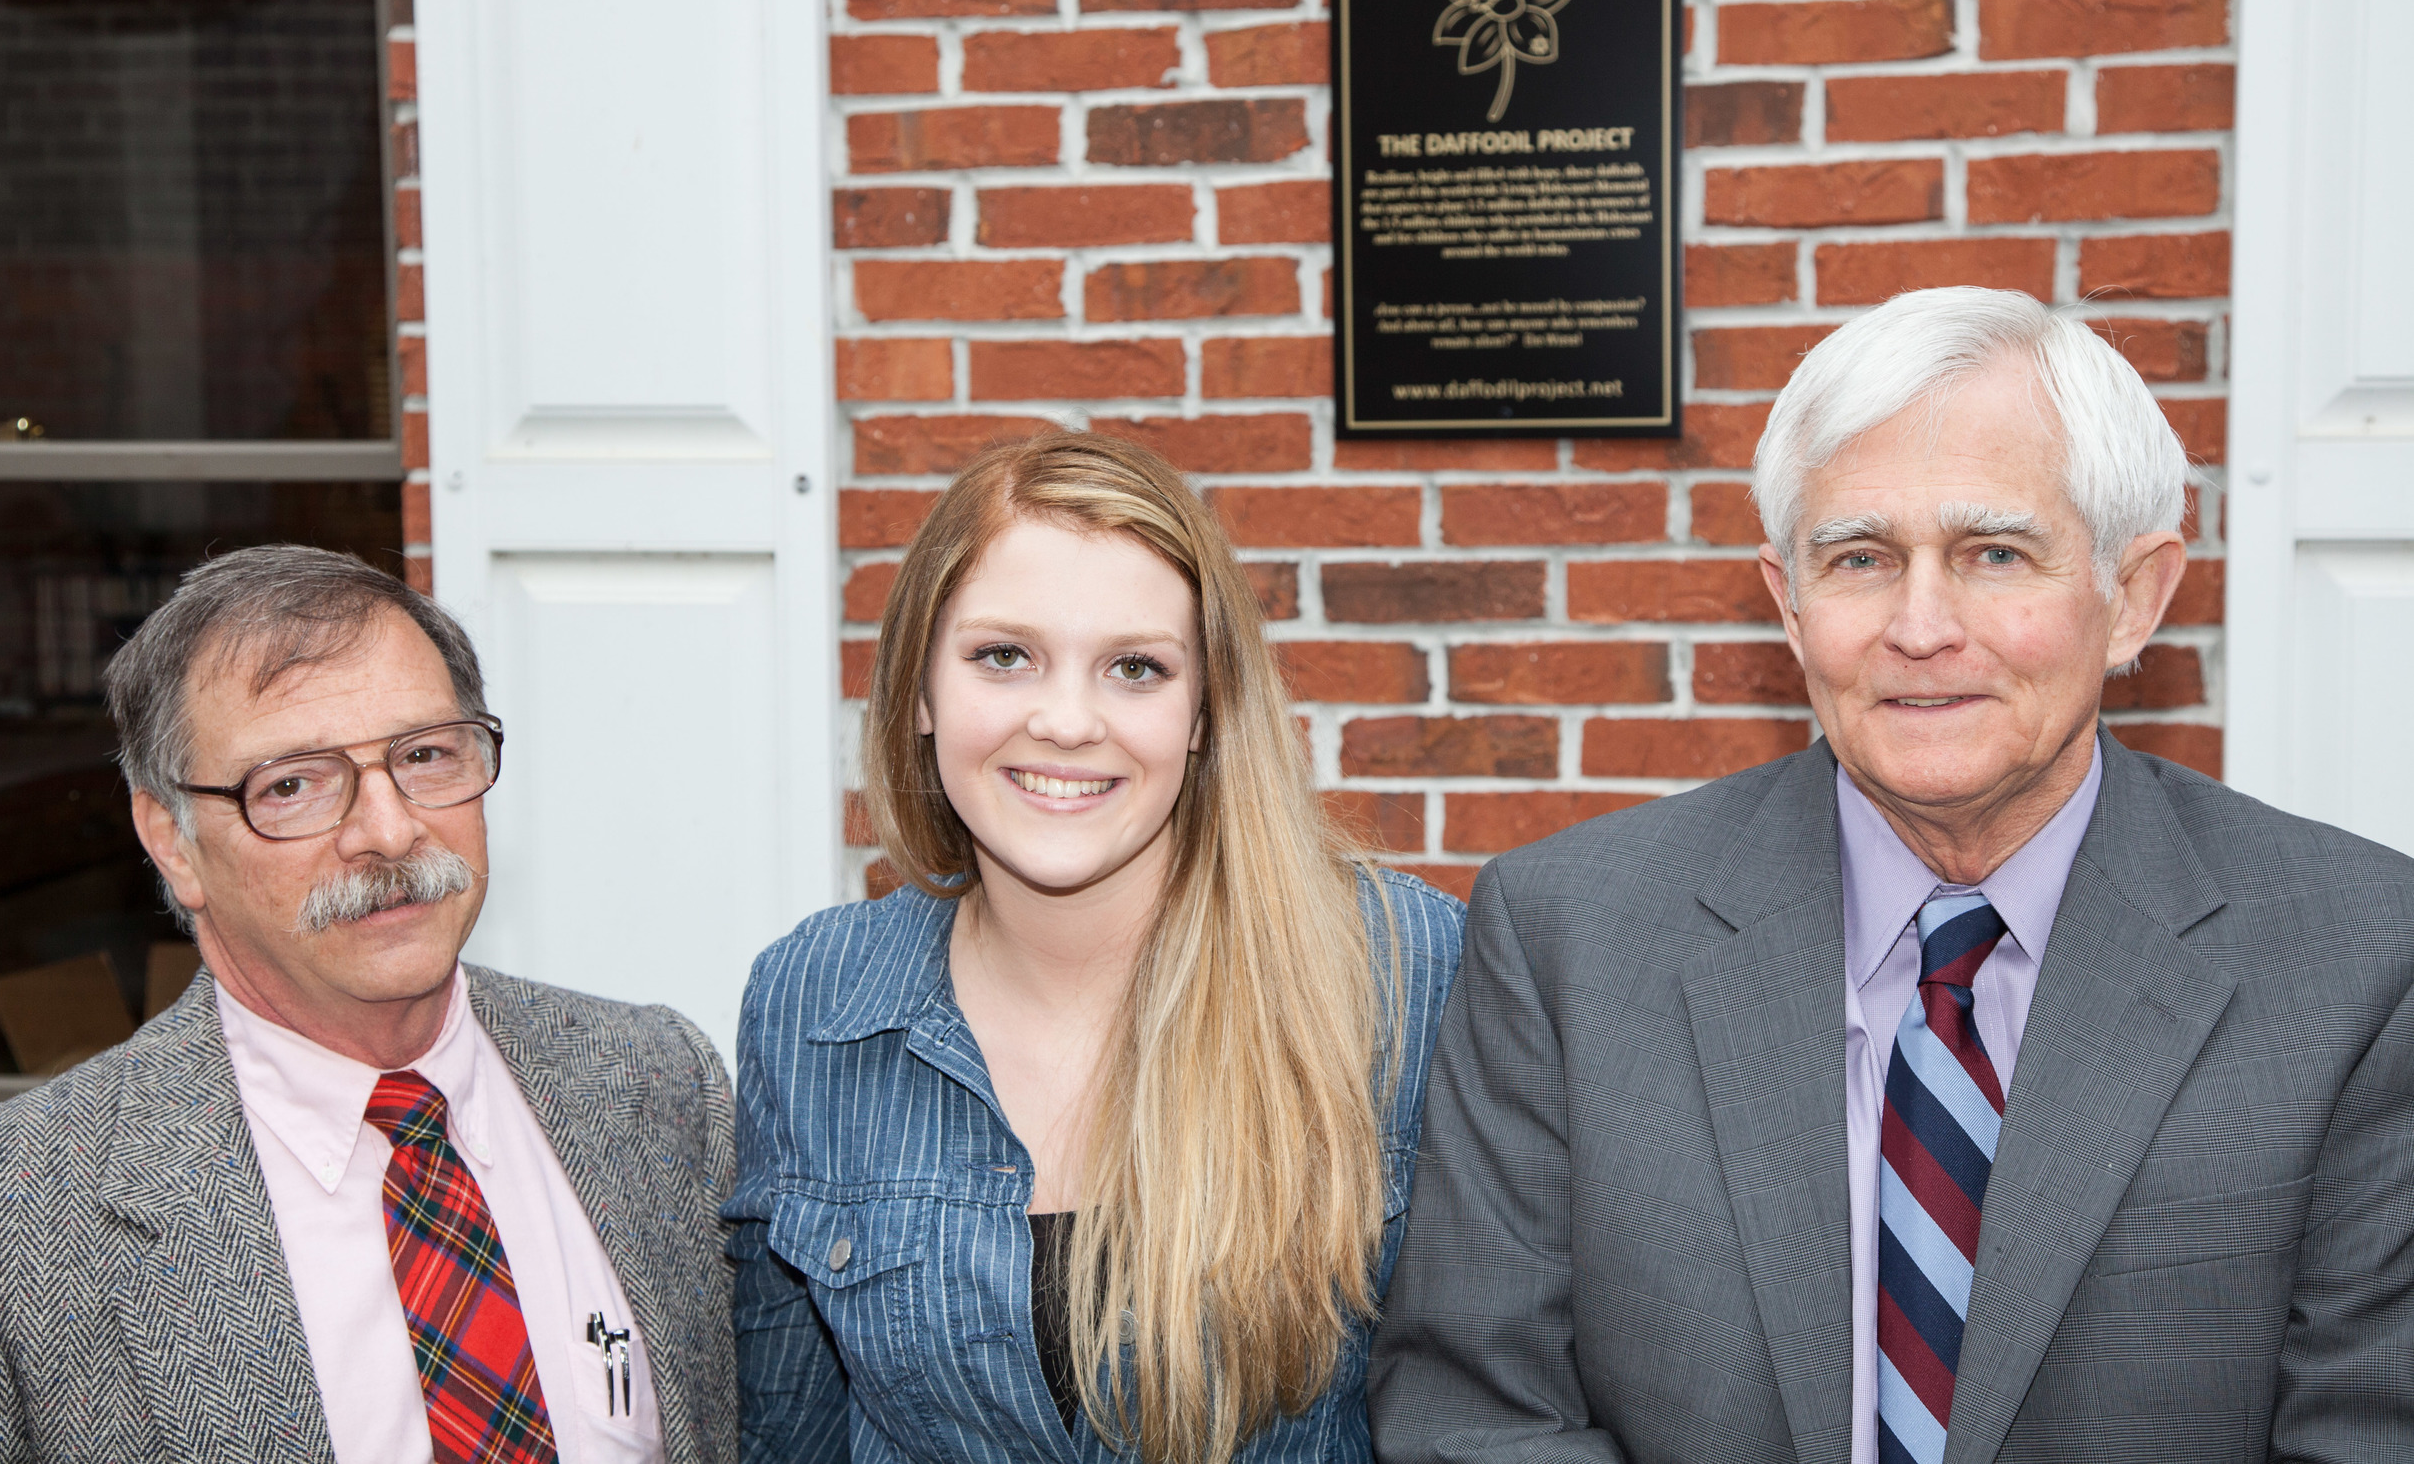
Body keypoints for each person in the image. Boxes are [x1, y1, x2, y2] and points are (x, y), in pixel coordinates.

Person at [1369, 287, 2414, 1464]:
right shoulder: (1566, 938)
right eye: (1860, 557)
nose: (1920, 626)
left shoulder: (2360, 958)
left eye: (1995, 552)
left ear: (2134, 595)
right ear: (1787, 600)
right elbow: (1477, 1413)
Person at [728, 433, 1464, 1464]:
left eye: (1134, 667)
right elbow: (782, 1433)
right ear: (921, 692)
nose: (1067, 719)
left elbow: (1480, 1405)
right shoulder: (810, 996)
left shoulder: (1402, 968)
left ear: (1204, 710)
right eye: (1002, 655)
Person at [0, 545, 738, 1464]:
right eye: (293, 785)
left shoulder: (660, 1083)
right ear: (171, 841)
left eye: (425, 755)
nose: (388, 831)